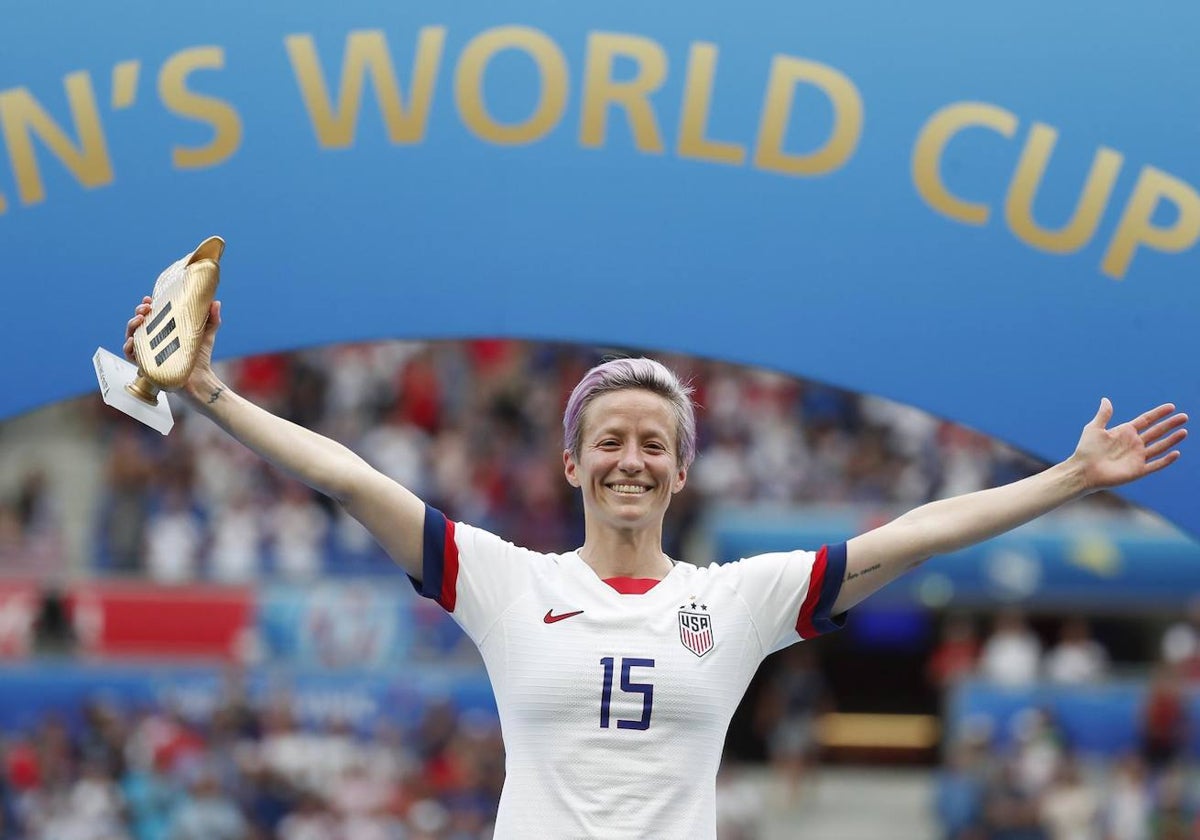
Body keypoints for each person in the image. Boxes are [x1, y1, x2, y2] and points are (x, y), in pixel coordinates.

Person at [121, 295, 1188, 840]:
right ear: (572, 459)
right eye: (610, 438)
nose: (629, 457)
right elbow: (352, 480)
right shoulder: (506, 581)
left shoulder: (735, 599)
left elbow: (915, 535)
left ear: (681, 470)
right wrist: (210, 391)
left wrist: (1068, 479)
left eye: (652, 442)